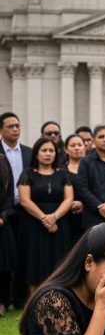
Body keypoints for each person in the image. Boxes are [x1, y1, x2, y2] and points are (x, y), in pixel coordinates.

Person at [17, 137, 74, 293]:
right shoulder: (27, 174)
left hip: (59, 224)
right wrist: (44, 218)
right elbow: (24, 200)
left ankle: (58, 295)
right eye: (44, 150)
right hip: (34, 224)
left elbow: (69, 199)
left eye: (51, 151)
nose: (48, 154)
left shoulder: (63, 174)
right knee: (34, 260)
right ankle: (33, 299)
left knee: (58, 260)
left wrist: (54, 217)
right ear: (36, 153)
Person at [0, 112, 31, 309]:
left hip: (26, 210)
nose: (15, 129)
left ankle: (19, 298)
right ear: (1, 129)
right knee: (4, 258)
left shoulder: (29, 152)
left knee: (23, 254)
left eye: (18, 125)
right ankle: (4, 298)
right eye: (11, 126)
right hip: (4, 212)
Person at [0, 154, 16, 317]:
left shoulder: (3, 162)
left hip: (2, 222)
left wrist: (3, 216)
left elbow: (10, 194)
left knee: (3, 267)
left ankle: (3, 301)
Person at [64, 133, 86, 245]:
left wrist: (83, 204)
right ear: (66, 149)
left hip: (87, 215)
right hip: (65, 216)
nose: (77, 148)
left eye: (79, 145)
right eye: (73, 145)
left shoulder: (90, 168)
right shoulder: (61, 169)